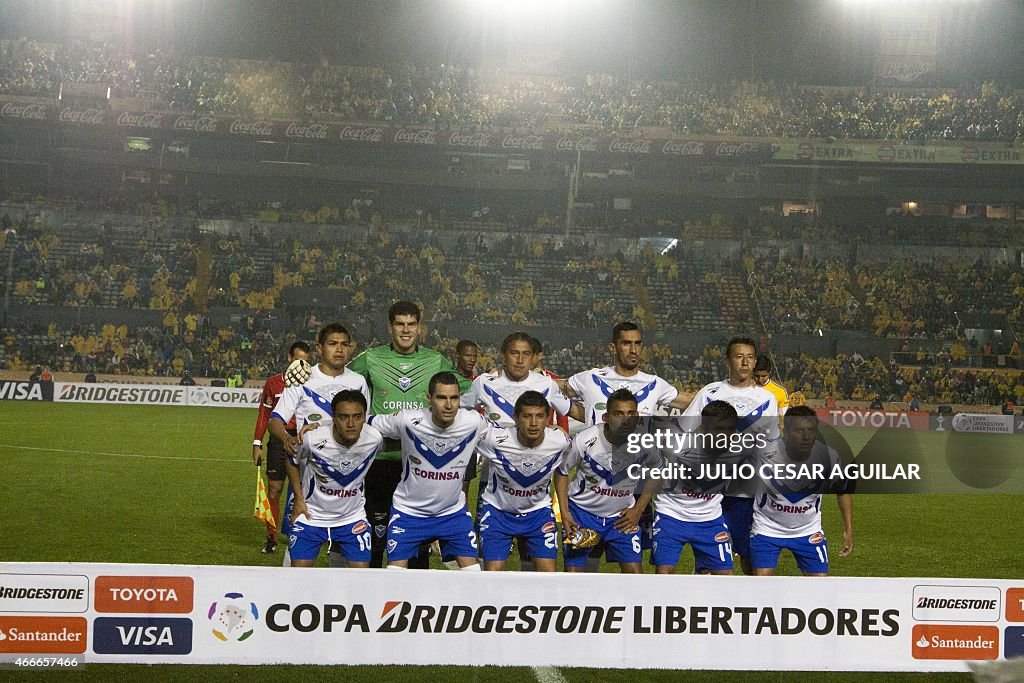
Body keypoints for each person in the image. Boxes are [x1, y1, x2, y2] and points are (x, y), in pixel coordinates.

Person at [348, 301, 462, 569]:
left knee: (416, 537)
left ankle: (414, 598)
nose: (406, 330)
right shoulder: (370, 358)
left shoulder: (436, 360)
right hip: (379, 460)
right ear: (390, 327)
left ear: (420, 328)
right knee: (377, 532)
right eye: (400, 324)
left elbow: (467, 389)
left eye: (411, 324)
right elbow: (340, 383)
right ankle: (374, 592)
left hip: (418, 463)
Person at [270, 323, 369, 566]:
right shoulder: (304, 379)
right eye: (332, 344)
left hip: (347, 476)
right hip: (307, 477)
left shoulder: (358, 382)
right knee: (301, 534)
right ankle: (290, 595)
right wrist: (288, 439)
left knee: (343, 543)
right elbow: (275, 420)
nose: (339, 350)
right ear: (319, 347)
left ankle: (338, 598)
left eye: (344, 344)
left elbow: (366, 425)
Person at [369, 372, 491, 569]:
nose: (449, 405)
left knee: (474, 575)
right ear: (429, 398)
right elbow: (364, 425)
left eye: (454, 398)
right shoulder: (408, 420)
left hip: (452, 513)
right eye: (442, 398)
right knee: (394, 578)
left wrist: (552, 432)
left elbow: (507, 436)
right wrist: (319, 429)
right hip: (409, 513)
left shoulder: (473, 422)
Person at [680, 336, 780, 575]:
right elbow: (686, 430)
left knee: (749, 557)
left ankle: (750, 606)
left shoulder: (767, 399)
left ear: (755, 362)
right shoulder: (710, 393)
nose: (744, 363)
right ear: (728, 361)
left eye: (749, 357)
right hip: (711, 491)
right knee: (708, 557)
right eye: (738, 357)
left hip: (746, 492)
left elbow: (772, 443)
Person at [553, 389, 655, 574]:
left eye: (630, 414)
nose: (625, 420)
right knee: (573, 575)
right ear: (607, 416)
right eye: (618, 414)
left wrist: (638, 510)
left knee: (636, 575)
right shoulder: (585, 440)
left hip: (621, 519)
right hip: (582, 515)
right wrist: (565, 513)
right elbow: (561, 472)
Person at [750, 406, 854, 576]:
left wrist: (848, 530)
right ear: (785, 432)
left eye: (811, 430)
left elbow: (842, 492)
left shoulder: (829, 458)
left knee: (819, 589)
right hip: (767, 528)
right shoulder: (763, 452)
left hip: (808, 530)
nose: (806, 436)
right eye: (799, 430)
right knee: (762, 586)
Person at [285, 390, 383, 568]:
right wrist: (298, 499)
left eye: (357, 416)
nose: (351, 423)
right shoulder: (312, 439)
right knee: (298, 575)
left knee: (362, 580)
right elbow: (291, 460)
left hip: (352, 518)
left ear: (364, 417)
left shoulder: (374, 439)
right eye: (344, 417)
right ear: (334, 418)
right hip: (312, 516)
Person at [475, 391, 570, 571]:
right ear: (515, 418)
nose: (534, 423)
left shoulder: (560, 442)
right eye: (527, 416)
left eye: (540, 416)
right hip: (498, 513)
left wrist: (564, 512)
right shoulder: (494, 440)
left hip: (538, 514)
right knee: (492, 576)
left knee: (549, 576)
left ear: (548, 419)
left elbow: (563, 470)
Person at [650, 401, 740, 575]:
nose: (724, 435)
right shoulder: (675, 446)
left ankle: (701, 574)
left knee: (727, 577)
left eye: (729, 429)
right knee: (664, 573)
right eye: (718, 428)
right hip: (671, 515)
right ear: (703, 428)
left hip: (710, 519)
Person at [562, 322, 692, 426]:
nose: (633, 350)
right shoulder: (591, 378)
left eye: (637, 344)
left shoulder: (654, 383)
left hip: (637, 457)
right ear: (613, 347)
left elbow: (687, 401)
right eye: (626, 343)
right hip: (598, 456)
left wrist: (712, 389)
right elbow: (551, 388)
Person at [252, 340, 311, 554]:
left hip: (303, 441)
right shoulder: (274, 383)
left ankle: (304, 535)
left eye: (306, 361)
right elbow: (264, 414)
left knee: (304, 491)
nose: (302, 365)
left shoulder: (312, 383)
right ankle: (272, 537)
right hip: (278, 440)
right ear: (289, 359)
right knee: (274, 490)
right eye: (298, 360)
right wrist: (257, 443)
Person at [529, 337, 569, 432]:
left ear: (540, 356)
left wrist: (564, 437)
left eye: (529, 355)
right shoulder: (517, 379)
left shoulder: (555, 380)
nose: (524, 359)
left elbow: (562, 415)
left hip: (546, 438)